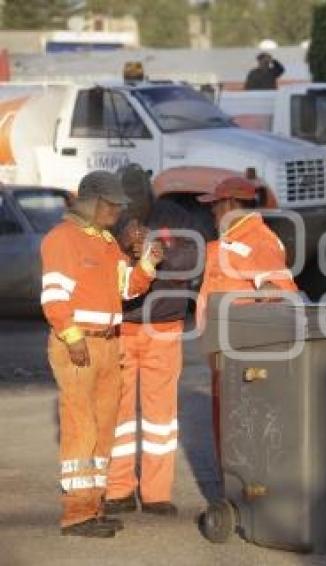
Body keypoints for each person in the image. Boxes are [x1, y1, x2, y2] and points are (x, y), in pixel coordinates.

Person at [40, 170, 163, 537]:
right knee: (82, 428)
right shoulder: (62, 239)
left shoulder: (108, 243)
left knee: (104, 429)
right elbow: (54, 297)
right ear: (92, 202)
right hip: (79, 345)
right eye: (112, 205)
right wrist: (72, 337)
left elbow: (126, 290)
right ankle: (77, 515)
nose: (118, 212)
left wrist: (147, 266)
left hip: (110, 344)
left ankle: (94, 507)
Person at [104, 165, 199, 517]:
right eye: (124, 203)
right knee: (120, 415)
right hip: (122, 328)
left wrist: (156, 252)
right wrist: (123, 246)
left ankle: (157, 493)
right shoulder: (109, 221)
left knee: (161, 418)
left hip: (165, 328)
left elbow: (193, 260)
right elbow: (97, 266)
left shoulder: (177, 217)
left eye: (137, 201)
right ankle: (119, 491)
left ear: (150, 195)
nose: (131, 209)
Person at [195, 176, 299, 457]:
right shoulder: (237, 239)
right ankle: (232, 490)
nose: (212, 212)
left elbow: (283, 292)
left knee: (239, 425)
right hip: (226, 351)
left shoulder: (256, 240)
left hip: (240, 355)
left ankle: (239, 494)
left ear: (229, 203)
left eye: (215, 205)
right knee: (229, 424)